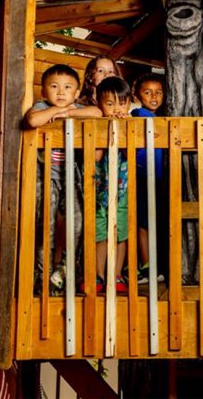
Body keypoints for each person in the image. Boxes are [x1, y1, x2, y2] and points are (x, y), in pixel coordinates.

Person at [25, 64, 102, 292]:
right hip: (45, 176)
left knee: (78, 223)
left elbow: (96, 112)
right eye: (54, 87)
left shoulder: (77, 108)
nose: (61, 92)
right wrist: (54, 112)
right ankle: (43, 275)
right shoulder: (41, 106)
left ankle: (67, 269)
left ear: (76, 94)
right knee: (44, 226)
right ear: (44, 92)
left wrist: (66, 112)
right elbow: (32, 121)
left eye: (68, 87)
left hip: (72, 176)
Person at [93, 76, 131, 294]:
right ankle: (98, 275)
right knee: (100, 234)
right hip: (99, 192)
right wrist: (108, 129)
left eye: (121, 103)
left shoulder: (129, 125)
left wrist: (122, 126)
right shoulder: (98, 125)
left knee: (120, 234)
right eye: (110, 104)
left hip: (122, 191)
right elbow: (97, 157)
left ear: (128, 103)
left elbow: (130, 153)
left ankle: (116, 275)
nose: (116, 108)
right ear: (99, 105)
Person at [131, 73, 166, 283]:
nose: (154, 96)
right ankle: (146, 267)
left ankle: (157, 264)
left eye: (158, 92)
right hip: (143, 174)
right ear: (137, 94)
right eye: (147, 92)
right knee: (143, 221)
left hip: (159, 177)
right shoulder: (137, 113)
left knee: (156, 220)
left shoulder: (160, 117)